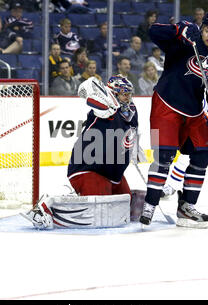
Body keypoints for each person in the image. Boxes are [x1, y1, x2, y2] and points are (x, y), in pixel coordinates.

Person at [139, 11, 208, 229]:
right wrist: (178, 30)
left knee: (202, 153)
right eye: (207, 29)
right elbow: (153, 31)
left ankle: (187, 207)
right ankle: (150, 205)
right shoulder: (186, 40)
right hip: (164, 102)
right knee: (163, 155)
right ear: (202, 28)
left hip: (193, 110)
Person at [20, 75, 145, 229]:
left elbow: (131, 130)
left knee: (124, 207)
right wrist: (107, 100)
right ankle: (49, 204)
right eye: (124, 94)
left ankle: (75, 195)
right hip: (88, 169)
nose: (128, 97)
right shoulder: (104, 109)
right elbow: (87, 89)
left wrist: (134, 147)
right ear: (114, 94)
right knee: (99, 211)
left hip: (113, 173)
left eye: (129, 94)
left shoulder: (131, 110)